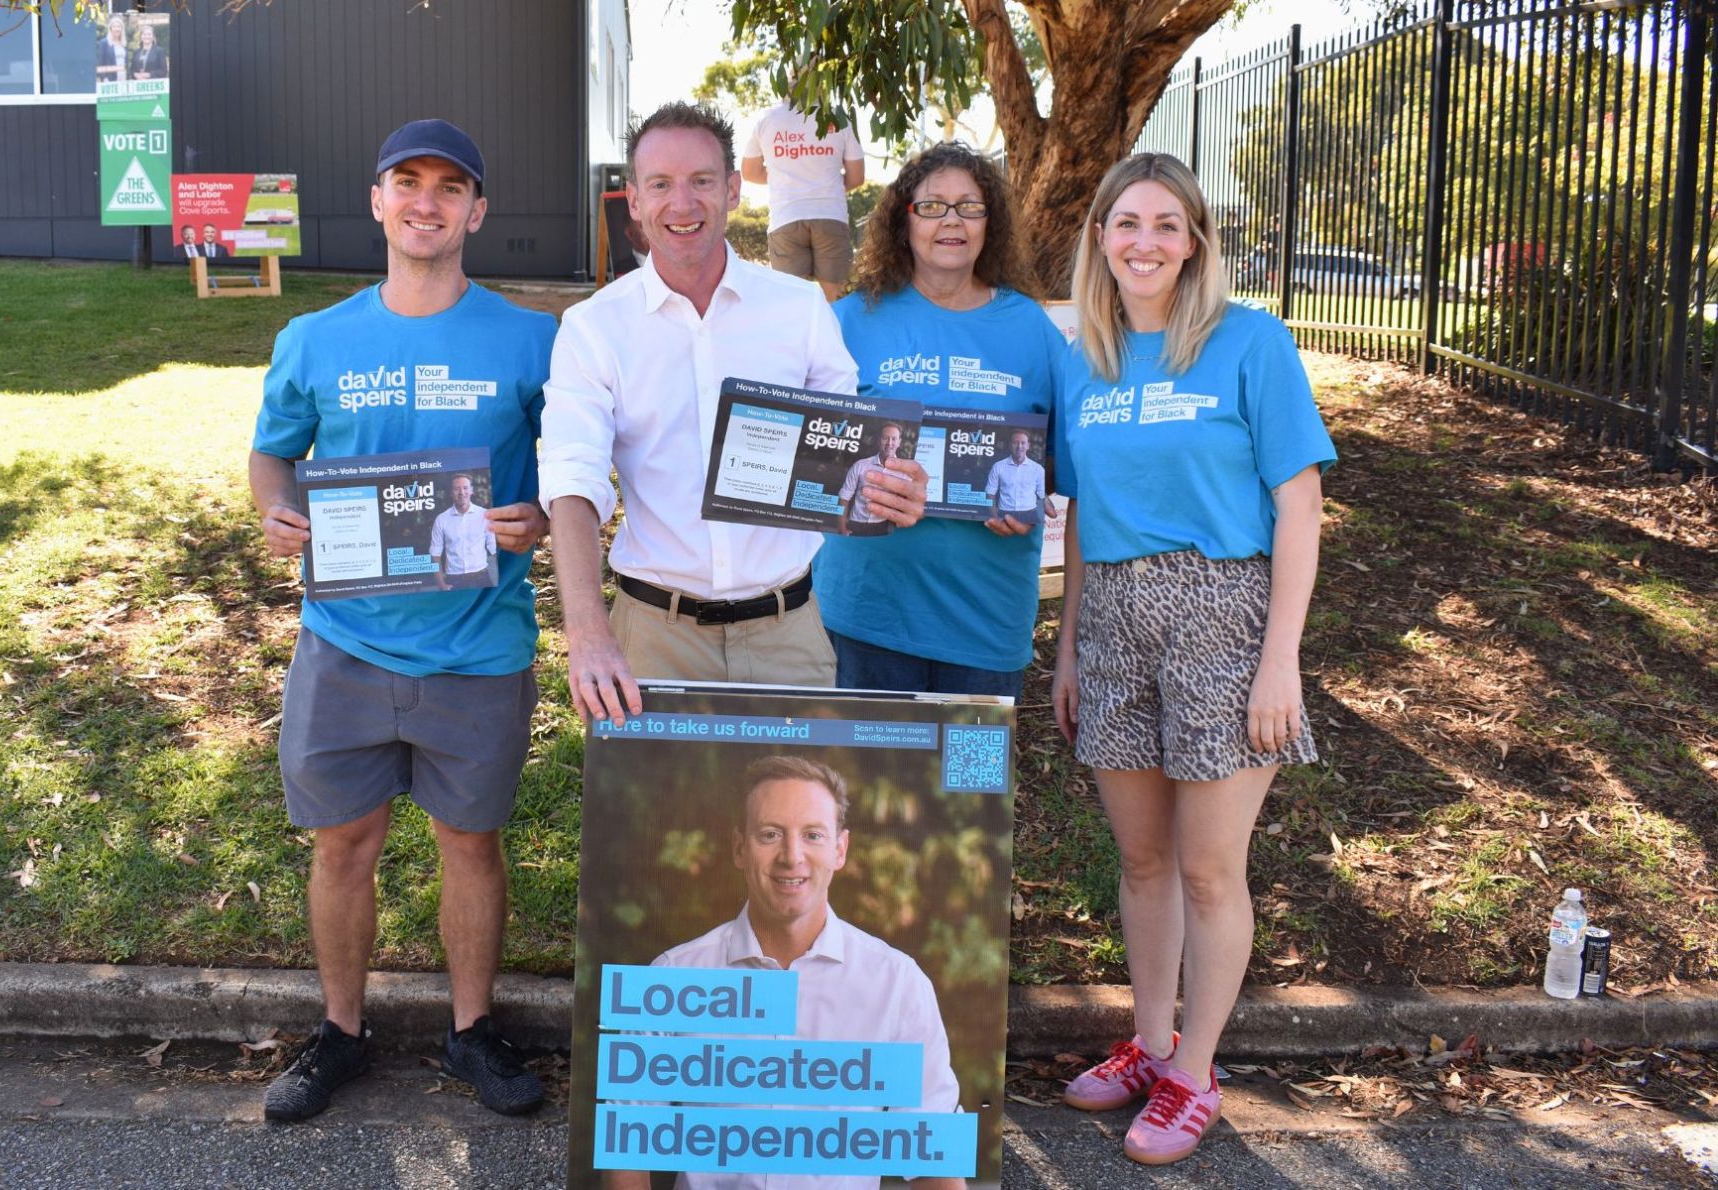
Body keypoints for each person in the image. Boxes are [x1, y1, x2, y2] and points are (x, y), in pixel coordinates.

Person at [248, 118, 557, 1124]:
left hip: (479, 646)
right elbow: (273, 451)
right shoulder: (316, 338)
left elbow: (576, 469)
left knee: (472, 844)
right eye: (407, 182)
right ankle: (341, 1030)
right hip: (345, 644)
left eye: (450, 185)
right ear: (379, 201)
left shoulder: (529, 338)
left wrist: (542, 512)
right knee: (343, 844)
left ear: (477, 210)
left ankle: (472, 1033)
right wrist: (274, 509)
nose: (428, 201)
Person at [1051, 153, 1334, 1166]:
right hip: (1115, 615)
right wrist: (1071, 647)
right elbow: (1080, 510)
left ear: (1197, 240)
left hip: (1226, 607)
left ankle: (1196, 1069)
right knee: (1141, 858)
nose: (1146, 242)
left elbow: (1300, 505)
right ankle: (1153, 1039)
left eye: (1168, 225)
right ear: (1100, 235)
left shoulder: (1250, 342)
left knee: (1212, 867)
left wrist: (1280, 661)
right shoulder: (1082, 355)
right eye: (1128, 222)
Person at [541, 101, 926, 724]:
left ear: (735, 189)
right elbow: (572, 475)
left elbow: (846, 463)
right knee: (660, 825)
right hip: (652, 639)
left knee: (797, 820)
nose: (683, 203)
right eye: (660, 184)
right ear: (634, 200)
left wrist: (888, 493)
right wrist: (586, 632)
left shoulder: (799, 308)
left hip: (788, 634)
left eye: (702, 181)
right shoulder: (593, 328)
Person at [604, 756, 964, 1190]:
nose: (791, 857)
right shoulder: (672, 977)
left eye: (812, 835)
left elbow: (934, 1163)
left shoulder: (899, 984)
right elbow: (627, 1157)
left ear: (839, 850)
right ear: (739, 847)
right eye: (770, 834)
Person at [813, 142, 1065, 700]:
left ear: (989, 222)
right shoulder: (849, 321)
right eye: (932, 206)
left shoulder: (1033, 330)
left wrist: (1025, 498)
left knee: (969, 787)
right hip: (865, 615)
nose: (951, 220)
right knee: (868, 786)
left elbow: (1059, 466)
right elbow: (809, 458)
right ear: (903, 220)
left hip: (985, 622)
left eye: (969, 206)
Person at [743, 98, 865, 302]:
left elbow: (749, 172)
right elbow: (856, 177)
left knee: (792, 300)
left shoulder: (768, 118)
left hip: (786, 218)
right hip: (830, 215)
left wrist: (783, 179)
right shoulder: (837, 117)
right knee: (838, 299)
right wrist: (824, 184)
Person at [835, 422, 904, 536]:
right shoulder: (860, 465)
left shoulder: (904, 473)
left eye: (893, 439)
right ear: (878, 440)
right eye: (885, 438)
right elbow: (844, 497)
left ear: (899, 442)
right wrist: (842, 529)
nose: (889, 443)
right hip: (856, 524)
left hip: (884, 527)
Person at [430, 473, 497, 590]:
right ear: (451, 493)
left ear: (471, 490)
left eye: (465, 488)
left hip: (482, 577)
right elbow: (435, 555)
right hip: (454, 580)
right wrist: (441, 585)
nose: (462, 493)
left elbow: (494, 549)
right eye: (457, 489)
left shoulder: (484, 515)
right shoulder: (441, 519)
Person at [983, 429, 1050, 525]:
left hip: (1030, 514)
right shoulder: (998, 466)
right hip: (1004, 513)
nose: (1019, 446)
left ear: (1028, 446)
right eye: (1015, 443)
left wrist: (1041, 518)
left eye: (1023, 443)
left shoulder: (1038, 469)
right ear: (1010, 445)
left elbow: (1042, 496)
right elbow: (990, 494)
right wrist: (995, 517)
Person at [95, 14, 127, 83]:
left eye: (119, 27)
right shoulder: (104, 42)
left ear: (122, 29)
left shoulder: (123, 43)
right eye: (114, 26)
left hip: (123, 77)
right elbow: (101, 63)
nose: (117, 29)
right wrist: (104, 78)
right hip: (109, 79)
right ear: (110, 28)